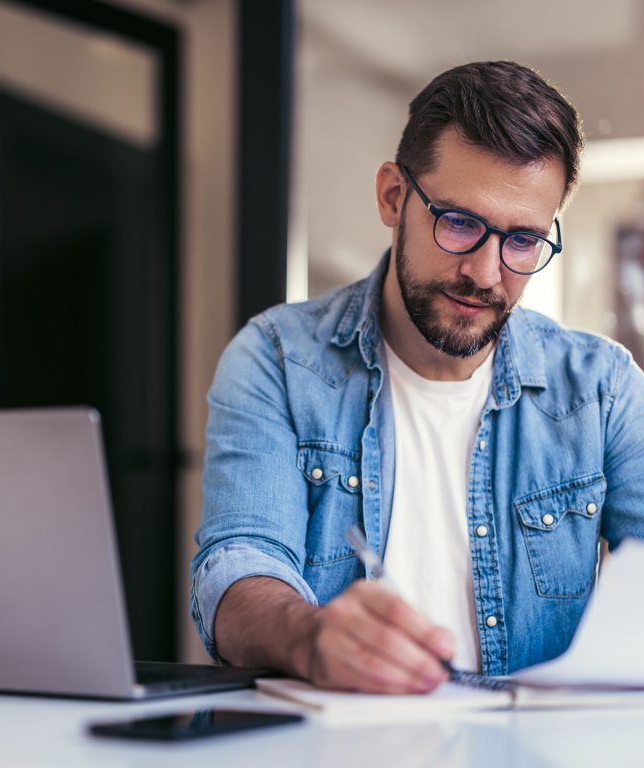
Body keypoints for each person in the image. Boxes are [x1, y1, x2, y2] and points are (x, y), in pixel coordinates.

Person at [190, 60, 644, 694]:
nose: (487, 273)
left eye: (523, 241)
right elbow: (238, 569)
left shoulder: (603, 389)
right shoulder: (277, 359)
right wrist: (307, 636)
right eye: (459, 223)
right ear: (393, 197)